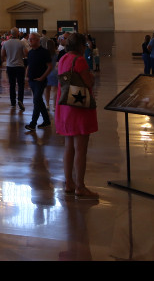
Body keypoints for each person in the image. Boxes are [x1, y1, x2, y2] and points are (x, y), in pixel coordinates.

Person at [56, 32, 98, 199]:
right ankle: (80, 186)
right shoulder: (79, 60)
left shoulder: (63, 59)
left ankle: (69, 183)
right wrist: (92, 77)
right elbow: (89, 82)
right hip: (79, 108)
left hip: (66, 107)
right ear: (81, 46)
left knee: (69, 147)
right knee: (81, 149)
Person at [24, 31, 53, 131]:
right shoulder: (31, 52)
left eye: (31, 39)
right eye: (29, 39)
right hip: (32, 80)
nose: (29, 41)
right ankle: (46, 121)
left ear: (37, 40)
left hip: (40, 81)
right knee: (39, 101)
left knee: (36, 100)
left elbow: (49, 66)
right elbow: (29, 65)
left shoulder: (44, 52)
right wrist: (26, 76)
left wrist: (42, 77)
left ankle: (33, 124)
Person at [1, 29, 27, 111]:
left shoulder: (6, 43)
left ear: (11, 34)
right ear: (18, 34)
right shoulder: (21, 42)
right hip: (19, 66)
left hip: (10, 66)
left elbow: (2, 54)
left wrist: (8, 59)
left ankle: (13, 102)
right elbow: (26, 53)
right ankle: (20, 100)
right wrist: (21, 55)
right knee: (21, 84)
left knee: (11, 84)